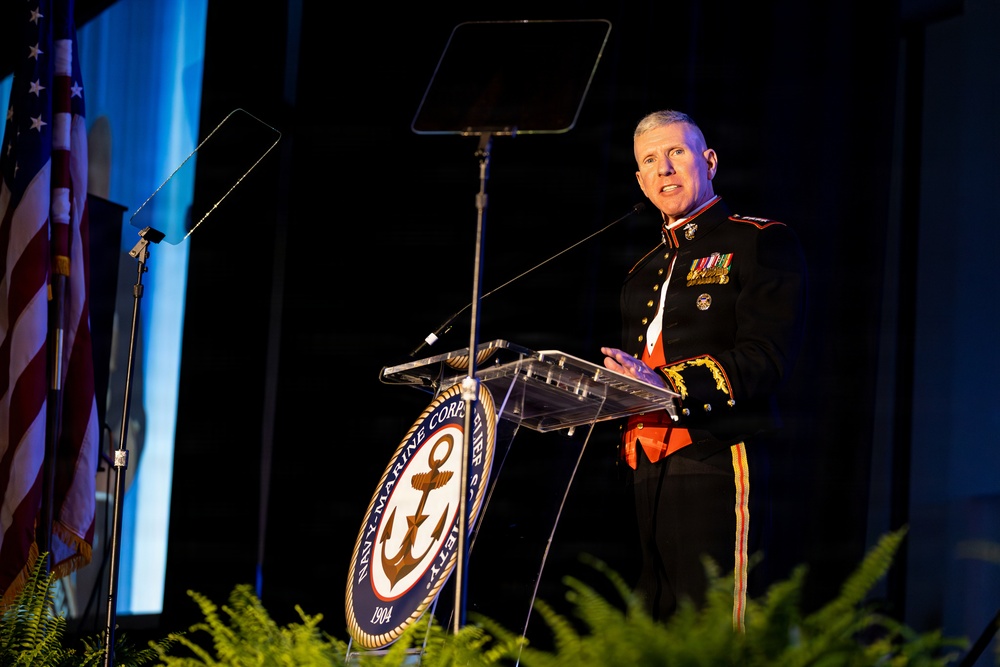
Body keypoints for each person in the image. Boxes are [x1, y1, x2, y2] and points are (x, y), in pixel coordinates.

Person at [600, 109, 807, 629]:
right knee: (657, 628)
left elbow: (767, 358)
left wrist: (665, 384)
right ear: (641, 181)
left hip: (715, 452)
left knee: (713, 629)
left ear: (708, 161)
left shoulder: (758, 241)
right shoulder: (640, 271)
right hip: (643, 468)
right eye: (651, 160)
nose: (665, 168)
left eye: (677, 152)